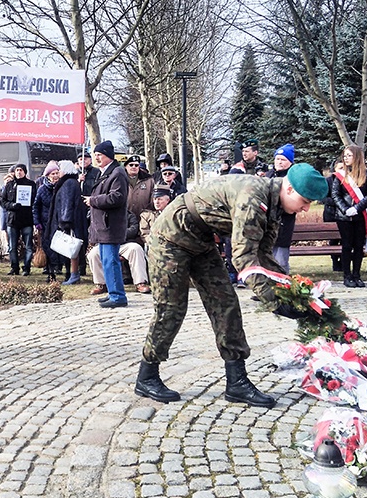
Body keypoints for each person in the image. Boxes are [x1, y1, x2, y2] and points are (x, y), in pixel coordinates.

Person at [136, 163, 329, 407]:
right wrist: (274, 302)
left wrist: (293, 293)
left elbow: (264, 255)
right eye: (304, 200)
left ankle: (237, 383)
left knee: (225, 303)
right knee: (171, 308)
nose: (306, 208)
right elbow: (244, 258)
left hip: (201, 241)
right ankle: (147, 375)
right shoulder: (253, 196)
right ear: (289, 189)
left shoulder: (273, 205)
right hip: (169, 239)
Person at [84, 141, 129, 308]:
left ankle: (118, 296)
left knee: (111, 261)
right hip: (103, 226)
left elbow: (117, 197)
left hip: (110, 226)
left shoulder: (117, 173)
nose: (96, 158)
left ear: (109, 156)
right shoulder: (106, 173)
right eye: (95, 155)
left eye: (100, 155)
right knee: (106, 260)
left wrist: (92, 200)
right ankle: (112, 292)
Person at [330, 145, 367, 288]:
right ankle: (347, 276)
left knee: (358, 246)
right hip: (343, 217)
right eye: (345, 155)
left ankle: (357, 275)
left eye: (349, 155)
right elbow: (335, 194)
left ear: (356, 156)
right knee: (346, 245)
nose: (346, 158)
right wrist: (345, 209)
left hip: (361, 215)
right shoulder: (340, 174)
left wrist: (357, 208)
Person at [89, 208, 151, 296]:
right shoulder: (102, 214)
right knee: (93, 254)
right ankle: (101, 284)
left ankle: (140, 283)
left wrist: (118, 235)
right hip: (107, 243)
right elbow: (95, 230)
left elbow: (134, 229)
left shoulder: (129, 215)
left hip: (125, 243)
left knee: (136, 249)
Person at [46, 160, 86, 285]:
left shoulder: (68, 183)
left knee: (71, 248)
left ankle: (73, 274)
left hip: (69, 222)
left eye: (60, 169)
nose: (58, 173)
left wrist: (65, 221)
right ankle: (72, 273)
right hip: (71, 220)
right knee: (70, 249)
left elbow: (67, 203)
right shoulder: (70, 182)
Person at [2, 163, 36, 276]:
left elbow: (35, 200)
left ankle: (26, 268)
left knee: (28, 246)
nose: (19, 172)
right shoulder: (9, 185)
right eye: (17, 170)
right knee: (12, 247)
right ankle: (14, 268)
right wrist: (12, 206)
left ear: (25, 172)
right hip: (13, 220)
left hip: (27, 219)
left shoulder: (31, 184)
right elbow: (3, 201)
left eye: (21, 170)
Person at [267, 144, 296, 274]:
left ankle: (282, 288)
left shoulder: (293, 178)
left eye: (283, 159)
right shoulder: (269, 175)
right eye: (277, 159)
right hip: (267, 224)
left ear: (290, 162)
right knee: (266, 260)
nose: (279, 162)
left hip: (284, 222)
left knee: (281, 261)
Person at [33, 162, 60, 281]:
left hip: (59, 223)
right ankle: (50, 272)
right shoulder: (42, 189)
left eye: (57, 173)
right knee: (47, 247)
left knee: (58, 248)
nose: (55, 176)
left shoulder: (61, 187)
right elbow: (36, 207)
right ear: (48, 175)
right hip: (45, 223)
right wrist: (37, 222)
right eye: (53, 174)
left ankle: (59, 268)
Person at [125, 155, 154, 219]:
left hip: (144, 218)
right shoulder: (120, 179)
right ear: (126, 166)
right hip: (125, 218)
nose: (134, 167)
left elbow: (152, 199)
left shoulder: (149, 179)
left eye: (136, 165)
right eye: (131, 165)